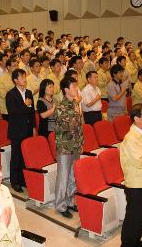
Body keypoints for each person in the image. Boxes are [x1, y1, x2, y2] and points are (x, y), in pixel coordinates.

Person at [120, 104, 142, 247]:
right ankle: (128, 244)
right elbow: (140, 162)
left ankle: (136, 241)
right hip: (136, 184)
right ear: (136, 119)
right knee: (134, 217)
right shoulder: (131, 138)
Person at [54, 76, 83, 218]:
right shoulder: (60, 105)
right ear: (66, 90)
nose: (76, 89)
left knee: (73, 175)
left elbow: (80, 124)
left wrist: (76, 106)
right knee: (63, 177)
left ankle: (71, 201)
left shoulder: (75, 104)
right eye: (74, 86)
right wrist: (76, 107)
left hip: (76, 144)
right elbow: (68, 126)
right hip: (65, 147)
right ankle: (60, 205)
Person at [6, 69, 35, 192]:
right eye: (22, 77)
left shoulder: (28, 92)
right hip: (17, 130)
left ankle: (24, 180)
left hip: (27, 128)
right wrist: (25, 105)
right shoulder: (11, 94)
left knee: (26, 156)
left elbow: (32, 112)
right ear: (15, 80)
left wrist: (33, 127)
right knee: (16, 156)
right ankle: (15, 182)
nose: (24, 79)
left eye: (24, 76)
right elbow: (13, 112)